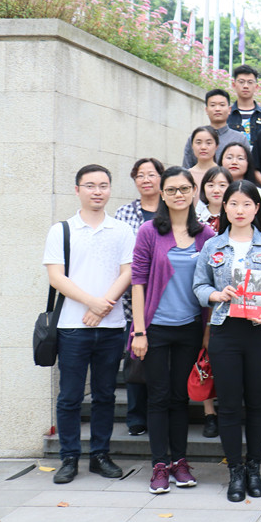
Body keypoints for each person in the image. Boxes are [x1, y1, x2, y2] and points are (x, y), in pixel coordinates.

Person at [192, 181, 261, 503]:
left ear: (257, 208)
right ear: (225, 207)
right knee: (230, 404)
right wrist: (216, 295)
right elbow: (199, 286)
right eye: (233, 203)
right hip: (225, 331)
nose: (240, 210)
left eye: (247, 204)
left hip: (260, 331)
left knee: (258, 404)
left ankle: (254, 468)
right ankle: (235, 469)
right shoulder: (213, 245)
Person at [43, 164, 135, 484]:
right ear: (77, 189)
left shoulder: (122, 230)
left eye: (103, 185)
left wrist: (103, 304)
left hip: (111, 327)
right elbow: (56, 277)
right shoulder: (61, 230)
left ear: (110, 189)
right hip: (72, 327)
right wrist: (91, 303)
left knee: (104, 395)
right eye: (90, 185)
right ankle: (69, 457)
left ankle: (100, 455)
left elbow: (128, 272)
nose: (98, 191)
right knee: (69, 396)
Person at [129, 167, 216, 494]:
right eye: (171, 190)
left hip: (190, 327)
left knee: (180, 397)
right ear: (162, 194)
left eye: (184, 189)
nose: (178, 194)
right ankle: (159, 465)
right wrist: (139, 331)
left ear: (194, 191)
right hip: (155, 329)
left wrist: (207, 330)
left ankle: (180, 461)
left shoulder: (205, 235)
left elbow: (211, 284)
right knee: (158, 396)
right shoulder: (149, 231)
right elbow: (138, 282)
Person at [114, 158, 164, 437]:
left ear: (161, 179)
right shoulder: (124, 213)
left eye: (151, 174)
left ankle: (161, 412)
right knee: (135, 357)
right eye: (140, 175)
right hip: (132, 298)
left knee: (163, 360)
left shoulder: (172, 209)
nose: (146, 179)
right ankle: (136, 416)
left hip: (166, 297)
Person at [182, 88, 250, 167]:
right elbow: (186, 168)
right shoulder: (196, 138)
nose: (217, 109)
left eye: (222, 105)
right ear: (206, 110)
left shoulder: (240, 139)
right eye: (213, 105)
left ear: (229, 109)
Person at [226, 65, 261, 149]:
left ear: (256, 87)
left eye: (250, 82)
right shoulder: (227, 114)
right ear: (234, 85)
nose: (245, 86)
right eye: (241, 82)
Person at [196, 166, 233, 235]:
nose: (216, 190)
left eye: (222, 185)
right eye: (211, 185)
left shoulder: (235, 218)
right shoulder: (195, 219)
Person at [187, 126, 220, 190]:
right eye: (198, 143)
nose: (203, 147)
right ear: (192, 146)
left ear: (216, 146)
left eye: (208, 143)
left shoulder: (223, 174)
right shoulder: (186, 175)